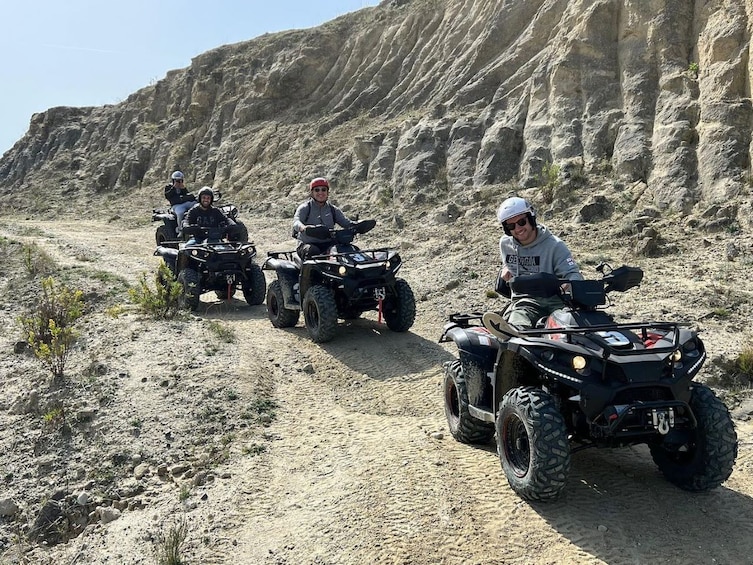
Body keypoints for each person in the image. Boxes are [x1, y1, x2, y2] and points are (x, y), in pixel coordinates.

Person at [490, 196, 582, 331]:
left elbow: (574, 275)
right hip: (525, 302)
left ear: (531, 218)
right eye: (511, 226)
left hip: (557, 302)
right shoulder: (505, 244)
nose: (518, 228)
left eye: (522, 222)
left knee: (563, 328)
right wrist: (505, 268)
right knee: (517, 324)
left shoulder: (555, 246)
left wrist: (569, 284)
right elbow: (508, 264)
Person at [292, 177, 354, 260]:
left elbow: (346, 223)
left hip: (328, 243)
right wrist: (304, 228)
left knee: (348, 249)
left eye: (323, 190)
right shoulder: (305, 208)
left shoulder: (333, 210)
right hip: (307, 244)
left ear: (328, 192)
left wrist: (358, 225)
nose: (320, 192)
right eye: (317, 190)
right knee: (313, 251)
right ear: (312, 193)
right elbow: (296, 222)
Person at [164, 171, 195, 236]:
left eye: (180, 180)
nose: (179, 182)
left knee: (195, 204)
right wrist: (174, 188)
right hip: (176, 206)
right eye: (177, 180)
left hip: (185, 203)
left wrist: (183, 188)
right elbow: (167, 195)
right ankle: (181, 230)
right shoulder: (169, 187)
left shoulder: (182, 187)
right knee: (180, 212)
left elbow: (187, 195)